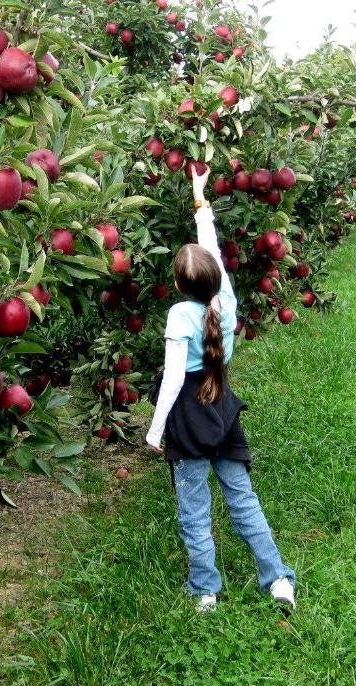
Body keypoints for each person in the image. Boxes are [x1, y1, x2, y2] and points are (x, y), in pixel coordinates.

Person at [145, 166, 296, 614]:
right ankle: (278, 580)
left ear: (177, 285)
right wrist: (200, 200)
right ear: (213, 277)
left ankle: (206, 590)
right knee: (243, 500)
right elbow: (210, 249)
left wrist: (155, 431)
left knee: (194, 510)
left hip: (188, 421)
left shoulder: (179, 315)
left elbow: (173, 379)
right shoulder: (224, 302)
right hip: (222, 408)